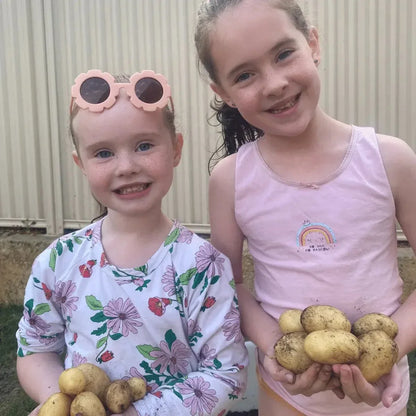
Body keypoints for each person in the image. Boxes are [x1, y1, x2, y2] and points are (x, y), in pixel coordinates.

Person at [194, 0, 416, 415]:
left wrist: (384, 353)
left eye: (283, 53)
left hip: (380, 396)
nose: (275, 83)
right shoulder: (231, 180)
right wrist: (274, 347)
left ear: (313, 42)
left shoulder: (390, 160)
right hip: (286, 396)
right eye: (244, 75)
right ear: (222, 93)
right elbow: (228, 286)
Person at [16, 69, 248, 416]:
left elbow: (227, 374)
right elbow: (35, 350)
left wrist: (139, 412)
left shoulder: (202, 266)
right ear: (81, 163)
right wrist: (65, 403)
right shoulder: (57, 262)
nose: (126, 166)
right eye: (103, 153)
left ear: (175, 150)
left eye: (144, 146)